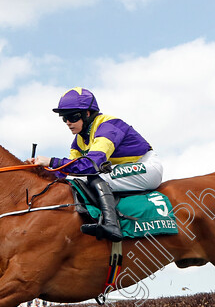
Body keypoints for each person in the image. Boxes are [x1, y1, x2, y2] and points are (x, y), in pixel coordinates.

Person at [26, 88, 162, 242]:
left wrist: (51, 161)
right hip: (123, 170)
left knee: (92, 175)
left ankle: (112, 225)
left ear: (88, 113)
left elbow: (90, 166)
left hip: (147, 167)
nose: (68, 123)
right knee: (77, 181)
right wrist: (43, 171)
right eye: (64, 118)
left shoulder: (108, 127)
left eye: (72, 116)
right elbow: (70, 173)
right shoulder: (78, 140)